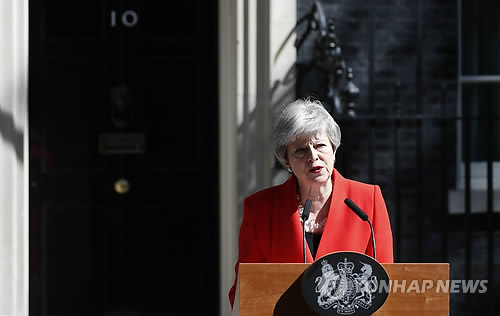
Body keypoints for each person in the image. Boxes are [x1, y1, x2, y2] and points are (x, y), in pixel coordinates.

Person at [228, 98, 394, 308]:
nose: (313, 157)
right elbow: (245, 289)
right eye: (300, 150)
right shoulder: (261, 208)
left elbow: (385, 283)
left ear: (333, 149)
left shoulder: (367, 200)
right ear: (286, 160)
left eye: (320, 145)